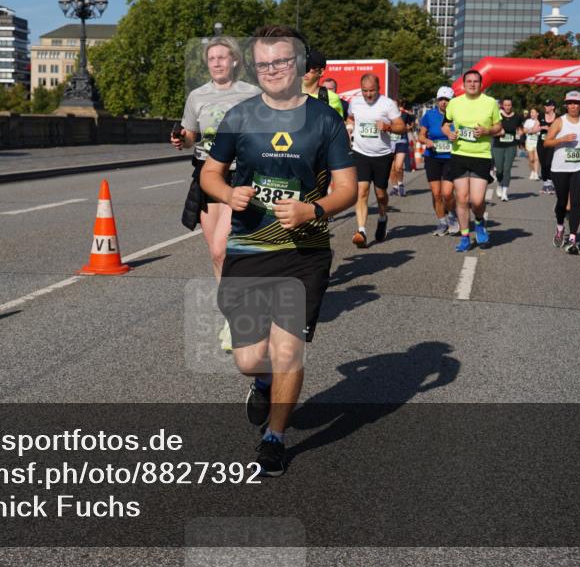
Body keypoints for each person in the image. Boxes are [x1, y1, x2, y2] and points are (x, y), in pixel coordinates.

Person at [200, 25, 356, 477]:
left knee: (289, 350)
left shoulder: (324, 120)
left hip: (304, 250)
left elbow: (347, 187)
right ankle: (264, 383)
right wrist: (229, 195)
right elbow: (210, 174)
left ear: (300, 65)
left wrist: (315, 210)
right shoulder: (241, 116)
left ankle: (274, 437)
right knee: (251, 359)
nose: (272, 70)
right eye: (264, 63)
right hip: (249, 246)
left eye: (282, 62)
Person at [172, 36, 261, 351]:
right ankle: (233, 312)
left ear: (235, 61)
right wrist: (181, 139)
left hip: (242, 175)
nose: (218, 63)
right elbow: (190, 137)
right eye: (212, 59)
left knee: (226, 247)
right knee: (216, 253)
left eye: (223, 57)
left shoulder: (252, 94)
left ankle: (237, 316)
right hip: (207, 175)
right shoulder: (197, 96)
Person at [442, 69, 501, 252]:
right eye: (469, 81)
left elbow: (498, 126)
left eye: (476, 81)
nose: (472, 84)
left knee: (476, 200)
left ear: (481, 84)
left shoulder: (490, 103)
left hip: (481, 155)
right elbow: (445, 124)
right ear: (464, 83)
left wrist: (486, 131)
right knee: (461, 197)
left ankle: (479, 221)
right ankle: (465, 236)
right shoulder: (455, 103)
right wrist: (449, 133)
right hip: (459, 154)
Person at [346, 73, 406, 247]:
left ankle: (382, 217)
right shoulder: (355, 103)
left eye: (372, 90)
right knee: (362, 190)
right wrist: (349, 127)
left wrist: (387, 127)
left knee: (380, 194)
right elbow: (350, 117)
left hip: (382, 154)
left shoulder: (387, 104)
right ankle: (361, 231)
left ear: (378, 88)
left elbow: (401, 127)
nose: (368, 94)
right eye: (365, 90)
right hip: (360, 152)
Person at [543, 91, 580, 255]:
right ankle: (560, 228)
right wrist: (562, 139)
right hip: (560, 168)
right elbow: (547, 142)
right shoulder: (559, 122)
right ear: (566, 105)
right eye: (570, 103)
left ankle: (573, 239)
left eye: (576, 103)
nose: (573, 106)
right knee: (561, 202)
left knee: (575, 202)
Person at [418, 86, 459, 236]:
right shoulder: (430, 115)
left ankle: (452, 215)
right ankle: (442, 222)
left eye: (447, 100)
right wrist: (427, 140)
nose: (443, 102)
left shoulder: (457, 115)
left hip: (451, 158)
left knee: (447, 193)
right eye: (441, 99)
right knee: (436, 194)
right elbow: (421, 135)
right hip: (433, 157)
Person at [491, 97, 522, 202]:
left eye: (509, 105)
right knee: (499, 170)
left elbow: (520, 129)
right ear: (502, 105)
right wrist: (498, 133)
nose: (508, 107)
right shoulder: (497, 116)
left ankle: (504, 192)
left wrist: (520, 133)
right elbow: (490, 130)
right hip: (498, 145)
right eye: (506, 105)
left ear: (512, 106)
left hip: (511, 146)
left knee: (507, 169)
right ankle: (500, 184)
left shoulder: (517, 117)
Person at [301, 49, 343, 115]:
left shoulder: (331, 98)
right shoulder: (287, 95)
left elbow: (336, 124)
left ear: (321, 72)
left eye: (310, 67)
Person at [389, 99, 414, 197]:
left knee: (398, 166)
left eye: (395, 105)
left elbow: (412, 124)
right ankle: (395, 187)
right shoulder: (386, 115)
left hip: (401, 142)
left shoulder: (404, 115)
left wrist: (405, 128)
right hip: (389, 143)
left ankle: (400, 184)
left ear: (398, 105)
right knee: (392, 168)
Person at [538, 100, 559, 195]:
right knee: (543, 163)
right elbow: (534, 128)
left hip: (552, 143)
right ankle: (545, 183)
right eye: (545, 105)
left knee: (549, 163)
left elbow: (561, 129)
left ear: (553, 107)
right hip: (541, 143)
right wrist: (542, 128)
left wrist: (550, 129)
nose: (545, 107)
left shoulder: (558, 118)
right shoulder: (541, 116)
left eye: (547, 105)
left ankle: (550, 183)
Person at [523, 107, 542, 180]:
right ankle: (532, 171)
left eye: (533, 112)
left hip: (537, 142)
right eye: (531, 112)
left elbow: (540, 131)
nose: (531, 114)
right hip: (529, 142)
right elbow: (524, 130)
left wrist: (530, 130)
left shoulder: (540, 121)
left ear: (537, 113)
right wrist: (533, 130)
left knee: (537, 158)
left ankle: (536, 174)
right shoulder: (528, 121)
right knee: (531, 159)